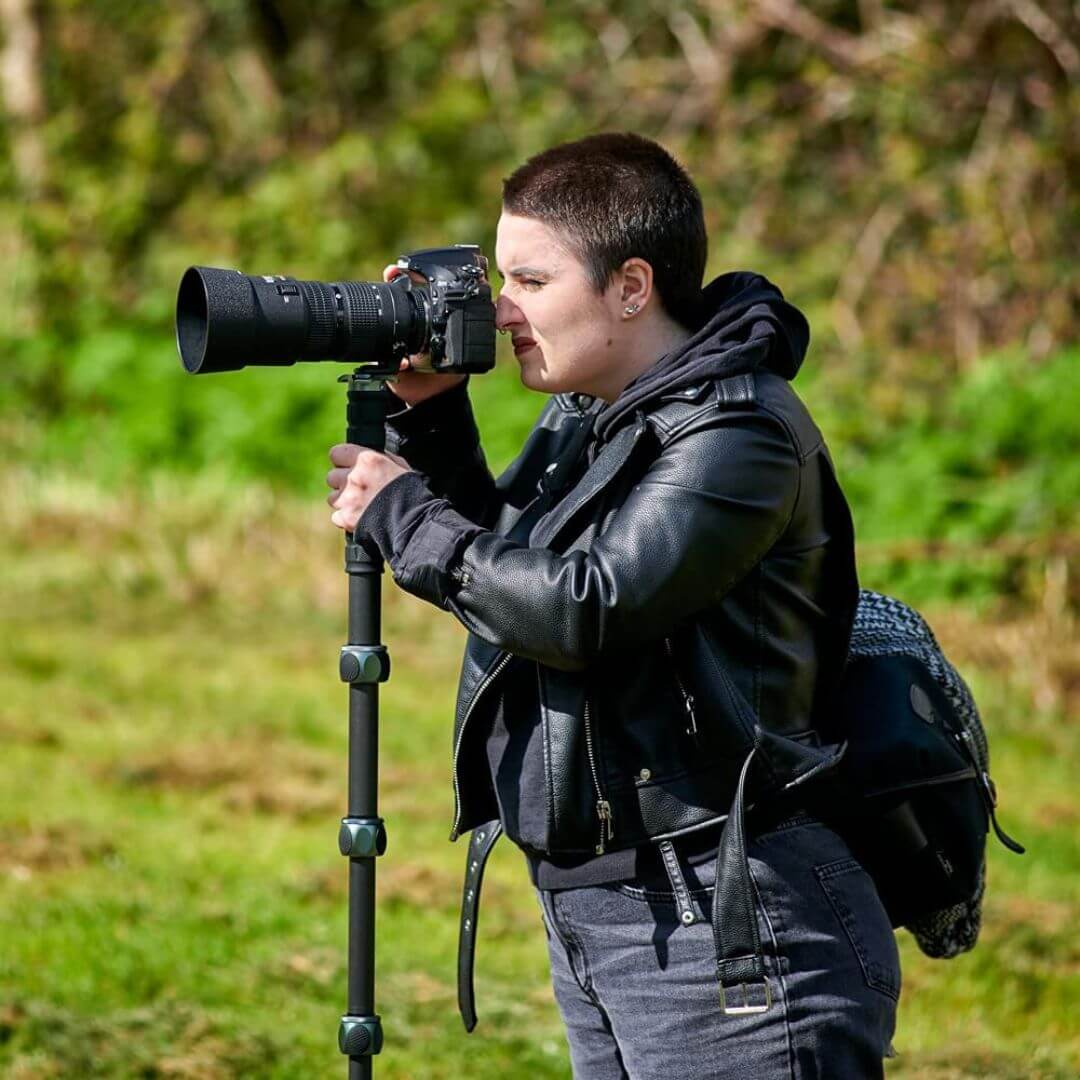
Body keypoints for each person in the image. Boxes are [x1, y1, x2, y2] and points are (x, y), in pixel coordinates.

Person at [325, 133, 900, 1079]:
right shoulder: (596, 414)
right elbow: (508, 578)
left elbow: (585, 609)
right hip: (606, 916)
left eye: (531, 281)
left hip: (731, 926)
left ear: (631, 287)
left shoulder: (738, 433)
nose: (501, 309)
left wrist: (403, 514)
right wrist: (428, 414)